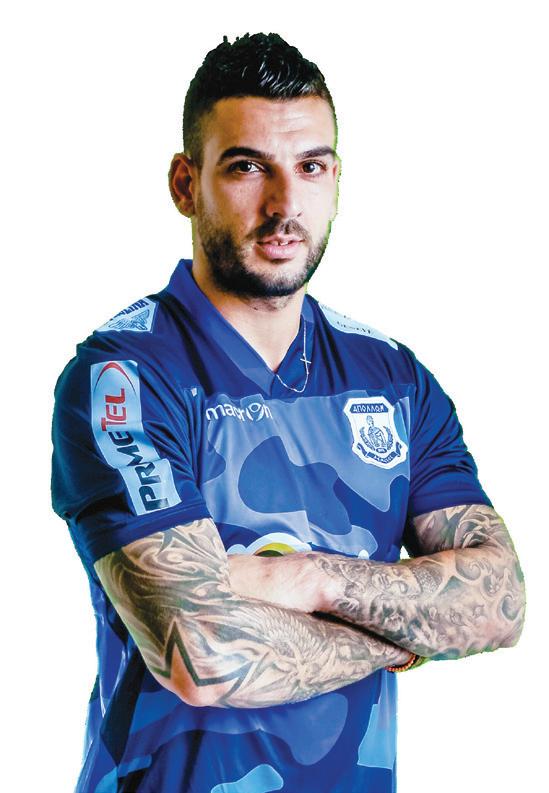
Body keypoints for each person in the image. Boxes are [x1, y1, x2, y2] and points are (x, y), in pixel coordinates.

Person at [51, 32, 526, 793]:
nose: (284, 204)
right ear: (185, 184)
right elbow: (200, 653)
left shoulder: (392, 378)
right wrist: (404, 638)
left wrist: (307, 580)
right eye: (247, 167)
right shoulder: (127, 378)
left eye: (311, 166)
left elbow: (498, 601)